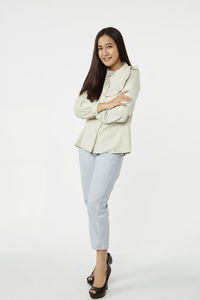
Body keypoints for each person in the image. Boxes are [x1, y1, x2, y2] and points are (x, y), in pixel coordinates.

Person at [73, 26, 140, 298]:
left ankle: (101, 265)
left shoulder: (131, 75)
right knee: (90, 202)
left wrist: (99, 110)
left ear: (119, 46)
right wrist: (105, 104)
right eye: (100, 48)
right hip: (86, 146)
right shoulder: (97, 74)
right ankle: (104, 255)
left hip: (112, 147)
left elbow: (122, 115)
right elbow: (78, 108)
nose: (104, 52)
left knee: (97, 202)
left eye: (109, 46)